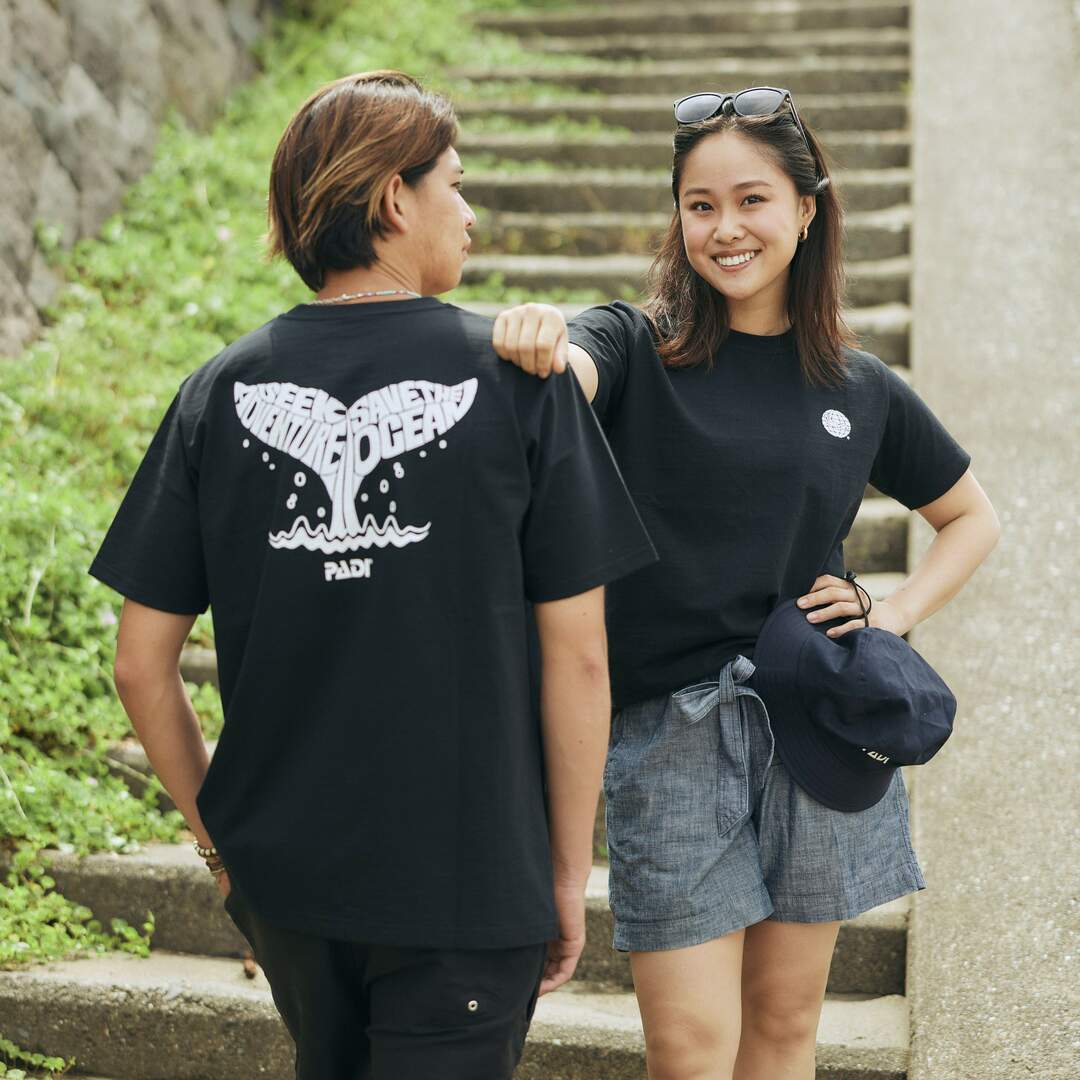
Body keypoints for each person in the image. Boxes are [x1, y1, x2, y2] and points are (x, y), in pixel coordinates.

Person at [87, 70, 656, 1080]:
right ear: (395, 199)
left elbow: (141, 663)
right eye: (457, 184)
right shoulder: (519, 385)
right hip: (471, 877)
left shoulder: (217, 392)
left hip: (289, 878)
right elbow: (576, 662)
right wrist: (567, 876)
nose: (470, 216)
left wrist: (226, 853)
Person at [492, 87, 1001, 1079]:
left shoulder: (859, 386)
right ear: (677, 217)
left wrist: (888, 613)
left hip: (815, 727)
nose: (725, 229)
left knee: (781, 1027)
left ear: (808, 210)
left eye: (752, 200)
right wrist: (540, 339)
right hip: (670, 743)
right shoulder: (635, 347)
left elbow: (972, 518)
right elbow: (573, 371)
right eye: (700, 205)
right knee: (689, 1050)